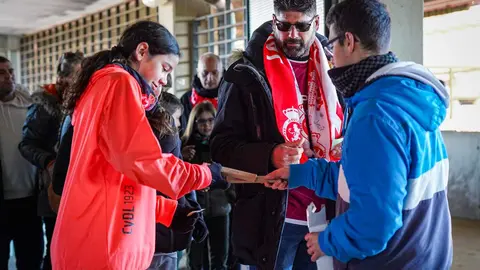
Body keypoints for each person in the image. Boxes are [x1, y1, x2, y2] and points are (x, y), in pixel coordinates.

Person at [265, 0, 452, 269]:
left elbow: (373, 224)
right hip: (424, 254)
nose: (331, 56)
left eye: (331, 45)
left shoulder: (375, 115)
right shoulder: (406, 96)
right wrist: (300, 174)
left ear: (349, 42)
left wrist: (326, 241)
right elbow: (360, 179)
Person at [50, 21, 227, 270]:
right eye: (165, 69)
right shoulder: (118, 83)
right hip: (102, 249)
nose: (165, 80)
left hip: (100, 241)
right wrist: (205, 174)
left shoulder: (106, 85)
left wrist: (167, 211)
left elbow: (112, 181)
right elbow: (146, 162)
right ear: (142, 52)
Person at [210, 0, 343, 269]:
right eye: (284, 25)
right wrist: (270, 154)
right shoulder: (245, 75)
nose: (292, 34)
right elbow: (220, 147)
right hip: (273, 221)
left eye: (301, 26)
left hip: (328, 215)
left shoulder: (337, 69)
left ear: (316, 24)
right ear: (274, 22)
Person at [18, 51, 83, 270]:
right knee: (57, 251)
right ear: (62, 78)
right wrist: (49, 162)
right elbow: (26, 144)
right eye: (78, 75)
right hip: (52, 188)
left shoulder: (79, 99)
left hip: (79, 188)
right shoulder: (43, 104)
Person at [0, 56, 44, 269]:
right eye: (1, 73)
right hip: (2, 202)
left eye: (10, 71)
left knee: (32, 259)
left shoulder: (28, 104)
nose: (9, 77)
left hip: (29, 200)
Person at [183, 101, 234, 270]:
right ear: (194, 122)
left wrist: (230, 196)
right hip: (195, 211)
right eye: (202, 121)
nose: (207, 125)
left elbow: (232, 175)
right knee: (196, 260)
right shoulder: (185, 145)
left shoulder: (222, 144)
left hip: (220, 208)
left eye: (210, 120)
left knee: (220, 259)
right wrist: (183, 158)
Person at [180, 52, 223, 132]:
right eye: (205, 73)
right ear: (198, 73)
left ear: (221, 73)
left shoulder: (230, 97)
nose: (210, 78)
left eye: (215, 73)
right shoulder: (186, 99)